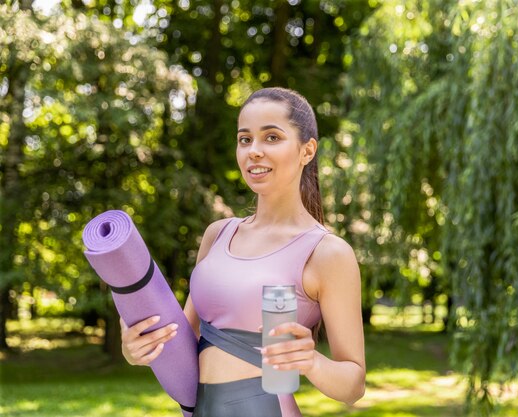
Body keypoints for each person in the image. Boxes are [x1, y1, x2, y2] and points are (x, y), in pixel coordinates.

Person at [119, 87, 366, 417]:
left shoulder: (327, 253)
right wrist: (136, 347)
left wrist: (312, 362)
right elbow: (182, 340)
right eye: (245, 139)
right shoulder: (218, 235)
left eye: (272, 138)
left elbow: (354, 385)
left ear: (307, 150)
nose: (254, 151)